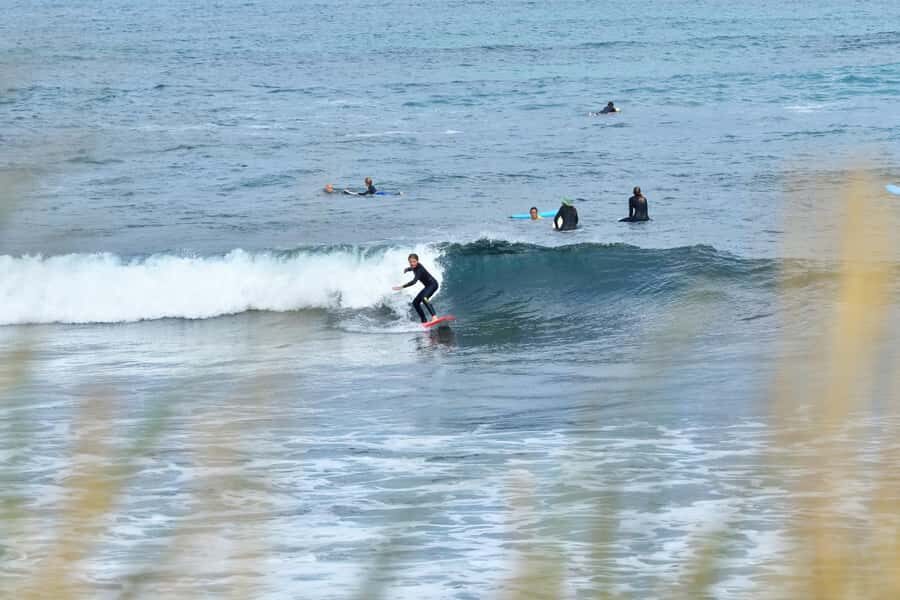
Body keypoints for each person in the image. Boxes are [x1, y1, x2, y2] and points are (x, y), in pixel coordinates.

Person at [392, 253, 439, 323]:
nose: (412, 263)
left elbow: (414, 282)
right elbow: (413, 267)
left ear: (417, 261)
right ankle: (424, 321)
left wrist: (402, 287)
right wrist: (408, 269)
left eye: (414, 261)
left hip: (433, 285)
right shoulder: (415, 267)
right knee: (415, 303)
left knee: (424, 298)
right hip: (427, 286)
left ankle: (434, 317)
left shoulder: (419, 269)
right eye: (410, 262)